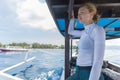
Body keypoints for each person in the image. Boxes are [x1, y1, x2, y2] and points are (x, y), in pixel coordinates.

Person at [67, 3, 105, 80]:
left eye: (82, 12)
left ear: (91, 14)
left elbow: (98, 61)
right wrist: (72, 19)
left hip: (89, 72)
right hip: (79, 71)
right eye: (78, 14)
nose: (79, 15)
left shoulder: (97, 30)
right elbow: (70, 31)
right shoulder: (84, 32)